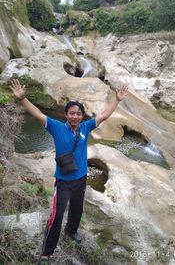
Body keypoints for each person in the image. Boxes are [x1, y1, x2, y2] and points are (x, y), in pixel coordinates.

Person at [11, 78, 129, 265]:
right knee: (56, 216)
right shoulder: (57, 127)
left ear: (82, 116)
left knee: (77, 209)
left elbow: (104, 115)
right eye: (72, 113)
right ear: (66, 115)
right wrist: (22, 99)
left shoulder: (85, 127)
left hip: (81, 179)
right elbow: (38, 115)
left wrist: (117, 100)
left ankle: (71, 231)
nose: (75, 116)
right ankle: (46, 253)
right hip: (64, 181)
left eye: (78, 114)